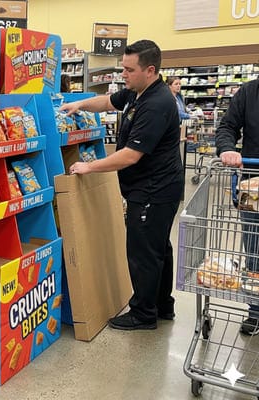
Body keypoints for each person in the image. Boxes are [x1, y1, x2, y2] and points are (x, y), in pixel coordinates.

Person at [62, 40, 184, 331]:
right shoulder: (137, 93)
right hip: (155, 187)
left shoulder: (156, 104)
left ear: (150, 70)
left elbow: (131, 155)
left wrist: (88, 166)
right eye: (123, 68)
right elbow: (106, 102)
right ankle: (162, 305)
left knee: (143, 251)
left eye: (129, 69)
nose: (123, 74)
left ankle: (143, 314)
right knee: (159, 248)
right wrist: (79, 103)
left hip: (154, 189)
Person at [215, 76, 259, 335]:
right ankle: (256, 311)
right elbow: (227, 126)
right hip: (253, 188)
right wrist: (227, 148)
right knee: (254, 251)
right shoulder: (248, 92)